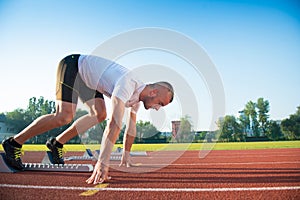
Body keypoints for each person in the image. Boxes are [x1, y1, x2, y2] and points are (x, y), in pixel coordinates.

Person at [2, 54, 174, 184]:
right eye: (160, 103)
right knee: (64, 116)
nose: (157, 108)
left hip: (90, 82)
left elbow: (131, 127)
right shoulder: (127, 84)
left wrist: (126, 154)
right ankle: (14, 143)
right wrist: (103, 163)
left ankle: (56, 144)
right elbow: (114, 124)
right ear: (153, 92)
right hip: (74, 66)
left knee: (99, 114)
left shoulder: (137, 98)